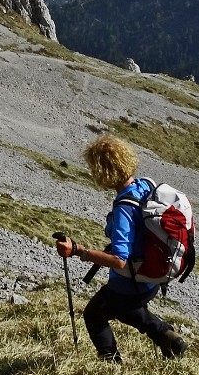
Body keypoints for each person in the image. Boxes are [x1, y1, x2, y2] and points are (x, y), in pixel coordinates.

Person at [55, 135, 188, 362]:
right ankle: (168, 338)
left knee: (94, 315)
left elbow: (119, 260)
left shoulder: (124, 207)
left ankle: (110, 365)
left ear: (103, 171)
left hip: (129, 282)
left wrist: (78, 250)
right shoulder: (146, 185)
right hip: (150, 280)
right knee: (127, 309)